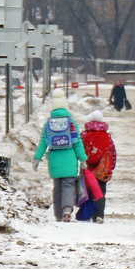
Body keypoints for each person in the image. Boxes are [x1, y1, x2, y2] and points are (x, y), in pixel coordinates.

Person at [32, 93, 89, 222]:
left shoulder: (49, 124)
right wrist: (83, 159)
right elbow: (77, 143)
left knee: (57, 188)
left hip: (54, 161)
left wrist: (37, 159)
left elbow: (43, 143)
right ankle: (67, 210)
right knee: (69, 186)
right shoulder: (72, 123)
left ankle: (58, 215)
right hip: (70, 159)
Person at [81, 111, 117, 224]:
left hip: (88, 167)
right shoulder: (106, 136)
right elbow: (112, 152)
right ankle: (99, 215)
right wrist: (111, 167)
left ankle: (88, 214)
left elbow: (79, 150)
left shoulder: (84, 135)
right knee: (100, 192)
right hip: (102, 168)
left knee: (88, 191)